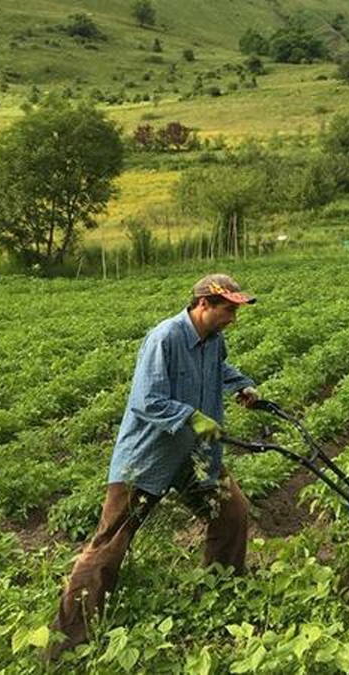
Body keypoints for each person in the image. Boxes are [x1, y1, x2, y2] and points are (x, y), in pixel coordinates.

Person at [48, 274, 260, 660]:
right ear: (204, 305)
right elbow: (146, 400)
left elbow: (220, 370)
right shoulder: (165, 338)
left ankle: (220, 593)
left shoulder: (214, 342)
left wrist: (242, 386)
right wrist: (195, 418)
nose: (233, 317)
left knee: (231, 512)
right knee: (111, 543)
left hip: (194, 456)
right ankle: (68, 639)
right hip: (149, 457)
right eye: (228, 309)